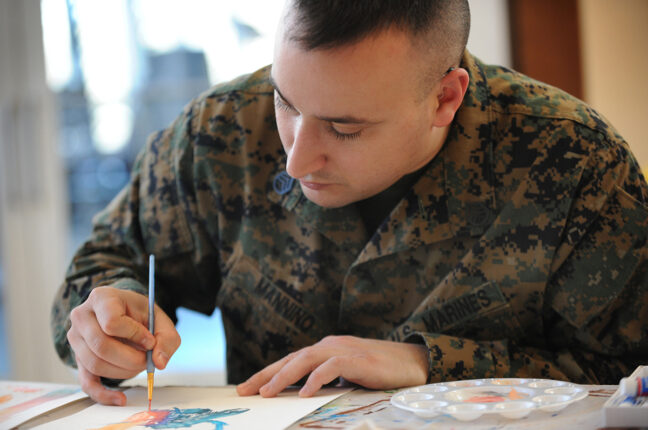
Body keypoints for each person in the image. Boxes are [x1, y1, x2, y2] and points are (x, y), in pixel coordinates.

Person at [51, 0, 648, 407]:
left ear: (445, 98)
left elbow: (630, 378)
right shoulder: (221, 130)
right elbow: (102, 264)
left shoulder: (572, 159)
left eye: (345, 128)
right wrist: (105, 317)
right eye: (286, 102)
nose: (295, 159)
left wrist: (429, 364)